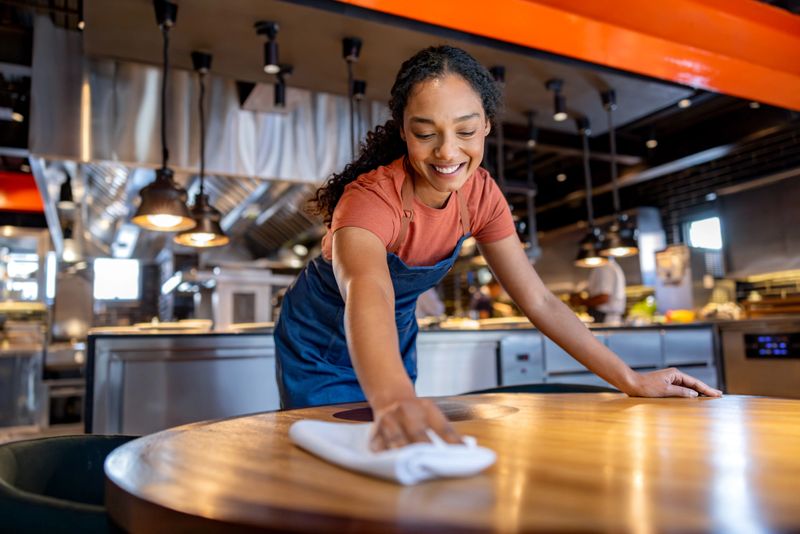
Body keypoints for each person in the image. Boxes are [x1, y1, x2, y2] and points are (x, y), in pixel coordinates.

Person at [274, 46, 721, 452]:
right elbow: (368, 289)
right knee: (336, 458)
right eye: (425, 133)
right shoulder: (370, 198)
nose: (448, 152)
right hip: (320, 341)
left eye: (466, 130)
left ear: (487, 124)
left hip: (390, 338)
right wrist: (393, 398)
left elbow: (539, 299)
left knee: (391, 452)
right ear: (404, 132)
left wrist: (632, 380)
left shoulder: (481, 196)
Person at [577, 257, 627, 325]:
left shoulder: (604, 267)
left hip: (604, 319)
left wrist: (580, 302)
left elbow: (603, 298)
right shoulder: (611, 266)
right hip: (609, 318)